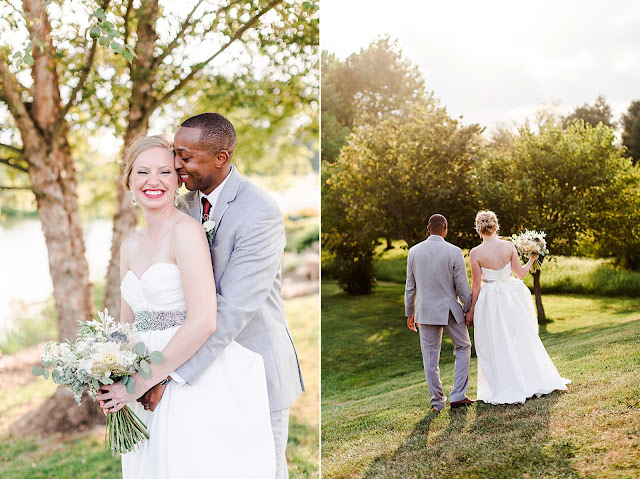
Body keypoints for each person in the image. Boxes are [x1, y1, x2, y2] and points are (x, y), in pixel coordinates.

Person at [96, 135, 276, 478]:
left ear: (178, 179)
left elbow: (204, 320)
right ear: (129, 181)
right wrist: (107, 372)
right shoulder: (129, 245)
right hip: (140, 376)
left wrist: (139, 382)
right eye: (143, 171)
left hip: (186, 376)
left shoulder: (187, 232)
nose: (154, 181)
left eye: (165, 171)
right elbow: (125, 322)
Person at [140, 113, 303, 478]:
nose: (176, 165)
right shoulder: (185, 204)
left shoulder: (258, 212)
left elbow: (233, 308)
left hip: (253, 365)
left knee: (262, 469)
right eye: (175, 154)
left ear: (221, 158)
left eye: (185, 157)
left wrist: (166, 375)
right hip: (203, 368)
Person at [466, 210, 571, 405]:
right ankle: (529, 379)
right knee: (519, 337)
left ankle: (506, 384)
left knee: (497, 342)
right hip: (511, 297)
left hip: (490, 301)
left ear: (478, 229)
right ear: (496, 226)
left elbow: (476, 285)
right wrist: (532, 257)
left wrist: (471, 310)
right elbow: (521, 274)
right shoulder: (508, 246)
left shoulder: (475, 253)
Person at [404, 214, 474, 411]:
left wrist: (410, 312)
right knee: (463, 347)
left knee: (430, 357)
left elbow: (410, 286)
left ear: (428, 228)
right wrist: (468, 309)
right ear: (445, 228)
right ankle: (458, 395)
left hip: (424, 311)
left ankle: (437, 402)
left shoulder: (414, 251)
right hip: (450, 310)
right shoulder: (454, 251)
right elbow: (462, 286)